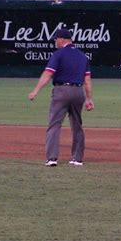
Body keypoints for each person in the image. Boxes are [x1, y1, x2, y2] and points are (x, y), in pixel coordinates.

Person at [28, 29, 94, 167]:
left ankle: (52, 158)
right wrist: (89, 99)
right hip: (78, 92)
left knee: (54, 125)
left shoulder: (58, 54)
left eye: (56, 39)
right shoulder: (83, 56)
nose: (54, 41)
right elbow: (87, 80)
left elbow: (47, 74)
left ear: (62, 39)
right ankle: (77, 159)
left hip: (61, 91)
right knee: (77, 125)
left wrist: (36, 90)